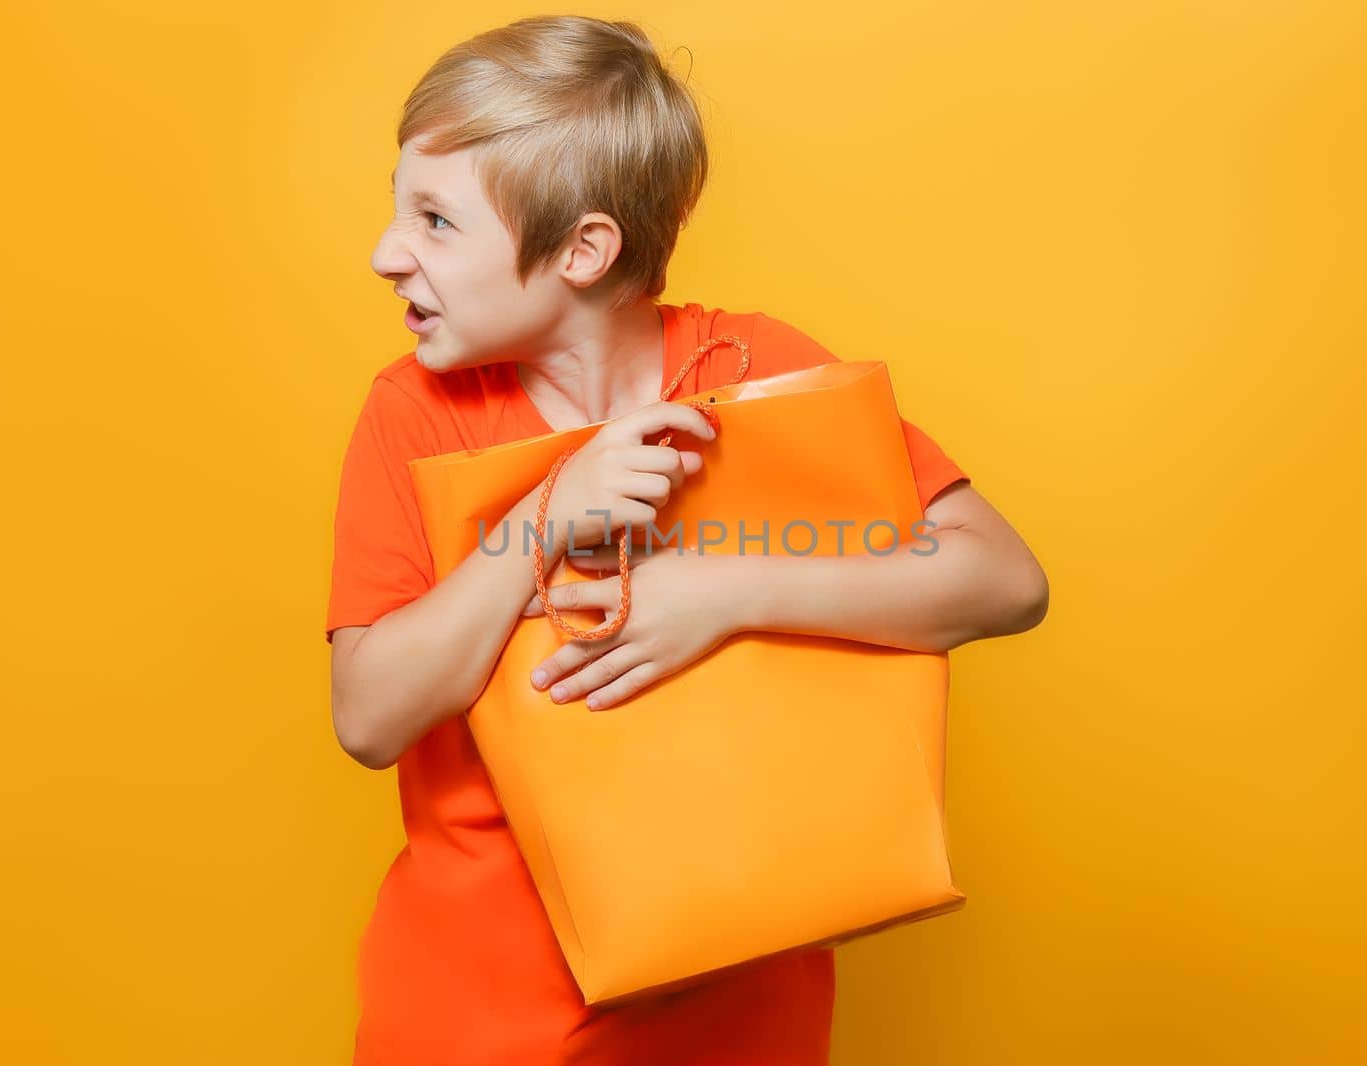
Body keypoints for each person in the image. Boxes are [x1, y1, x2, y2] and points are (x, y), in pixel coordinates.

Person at [325, 14, 1049, 1064]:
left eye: (435, 221)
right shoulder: (412, 413)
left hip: (743, 1022)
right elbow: (369, 712)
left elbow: (1004, 579)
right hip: (475, 1026)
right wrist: (544, 518)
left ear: (583, 248)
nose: (387, 252)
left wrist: (719, 589)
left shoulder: (755, 372)